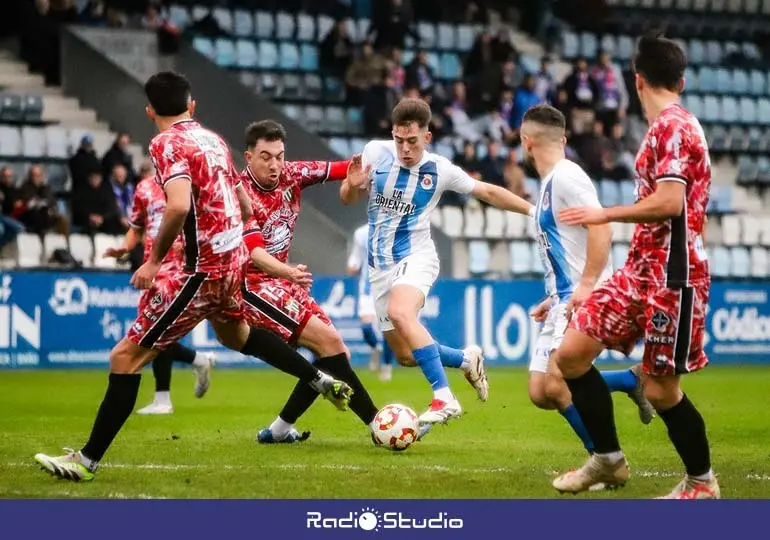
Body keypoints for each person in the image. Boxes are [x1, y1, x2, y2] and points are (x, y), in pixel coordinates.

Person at [33, 71, 352, 482]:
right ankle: (317, 377)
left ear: (150, 111)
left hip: (202, 270)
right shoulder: (212, 139)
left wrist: (153, 261)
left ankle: (87, 461)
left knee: (124, 358)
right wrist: (243, 218)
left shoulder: (164, 143)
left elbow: (179, 206)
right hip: (234, 261)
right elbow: (240, 197)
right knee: (233, 337)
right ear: (192, 106)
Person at [552, 32, 719, 499]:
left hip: (674, 276)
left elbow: (669, 201)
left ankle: (702, 484)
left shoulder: (672, 127)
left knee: (664, 391)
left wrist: (604, 213)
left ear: (637, 79)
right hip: (639, 271)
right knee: (570, 354)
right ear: (681, 81)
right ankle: (607, 460)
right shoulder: (668, 125)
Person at [339, 97, 534, 424]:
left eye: (412, 141)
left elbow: (487, 192)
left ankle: (444, 398)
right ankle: (466, 360)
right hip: (379, 267)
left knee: (401, 313)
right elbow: (347, 197)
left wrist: (532, 210)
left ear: (426, 138)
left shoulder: (440, 170)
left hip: (417, 256)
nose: (404, 149)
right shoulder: (374, 153)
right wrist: (352, 186)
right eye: (399, 140)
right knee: (403, 355)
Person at [521, 104, 654, 460]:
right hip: (562, 297)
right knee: (541, 392)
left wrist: (587, 284)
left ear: (525, 141)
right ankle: (629, 380)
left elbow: (602, 226)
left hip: (584, 295)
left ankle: (604, 458)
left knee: (556, 381)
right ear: (562, 139)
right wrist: (554, 296)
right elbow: (568, 245)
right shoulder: (550, 183)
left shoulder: (567, 176)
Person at [236, 120, 380, 444]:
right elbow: (254, 253)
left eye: (279, 155)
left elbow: (346, 168)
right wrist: (287, 272)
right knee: (327, 344)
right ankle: (379, 425)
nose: (275, 164)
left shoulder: (292, 174)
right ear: (248, 157)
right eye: (265, 156)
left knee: (334, 349)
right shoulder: (241, 194)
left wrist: (356, 177)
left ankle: (279, 429)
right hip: (252, 285)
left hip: (284, 280)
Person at [103, 162, 216, 415]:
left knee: (153, 330)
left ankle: (164, 399)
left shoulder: (188, 188)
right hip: (152, 268)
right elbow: (137, 227)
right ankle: (195, 362)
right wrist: (124, 247)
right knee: (152, 331)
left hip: (180, 267)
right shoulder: (143, 188)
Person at [347, 223, 395, 381]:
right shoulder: (361, 233)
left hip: (389, 288)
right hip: (368, 288)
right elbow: (356, 256)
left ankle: (387, 366)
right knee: (367, 328)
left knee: (388, 329)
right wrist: (353, 266)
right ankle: (376, 348)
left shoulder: (394, 228)